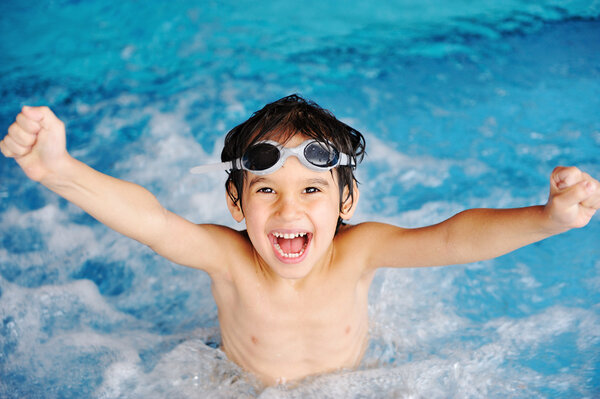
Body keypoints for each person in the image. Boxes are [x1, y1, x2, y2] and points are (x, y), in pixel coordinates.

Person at [1, 95, 599, 385]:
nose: (289, 211)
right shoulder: (230, 261)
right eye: (266, 192)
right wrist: (61, 171)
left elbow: (449, 240)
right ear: (235, 202)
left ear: (346, 201)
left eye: (312, 191)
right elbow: (153, 222)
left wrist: (544, 218)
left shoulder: (358, 252)